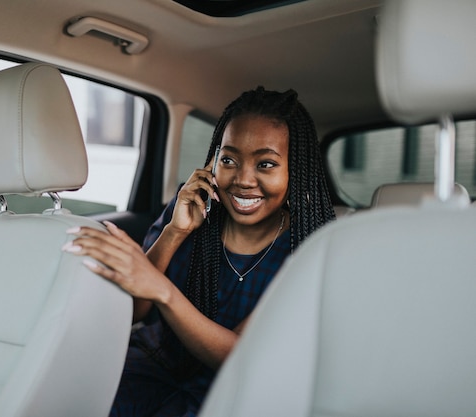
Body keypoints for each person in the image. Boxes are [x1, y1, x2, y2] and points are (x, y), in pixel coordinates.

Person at [62, 87, 335, 416]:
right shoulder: (190, 210)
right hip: (149, 365)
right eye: (229, 160)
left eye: (265, 164)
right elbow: (132, 313)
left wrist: (165, 292)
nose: (243, 180)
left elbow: (241, 356)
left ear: (296, 171)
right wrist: (175, 231)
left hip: (232, 390)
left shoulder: (310, 246)